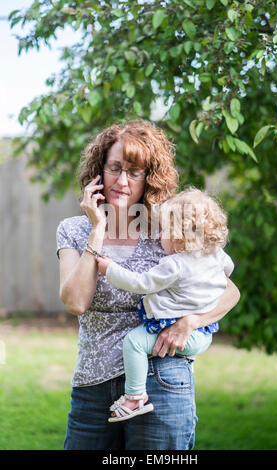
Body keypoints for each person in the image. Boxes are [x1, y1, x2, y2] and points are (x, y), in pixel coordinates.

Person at [56, 119, 240, 450]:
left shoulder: (170, 227)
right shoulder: (74, 229)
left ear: (148, 179)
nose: (122, 181)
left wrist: (193, 321)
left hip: (162, 379)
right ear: (99, 171)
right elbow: (75, 302)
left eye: (135, 172)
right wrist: (97, 230)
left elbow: (229, 290)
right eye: (114, 168)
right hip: (92, 386)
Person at [96, 187, 234, 422]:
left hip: (185, 335)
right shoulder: (217, 256)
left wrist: (110, 270)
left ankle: (135, 396)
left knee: (135, 342)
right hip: (205, 333)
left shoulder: (176, 265)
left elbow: (140, 283)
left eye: (164, 231)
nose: (160, 237)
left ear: (180, 235)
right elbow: (228, 272)